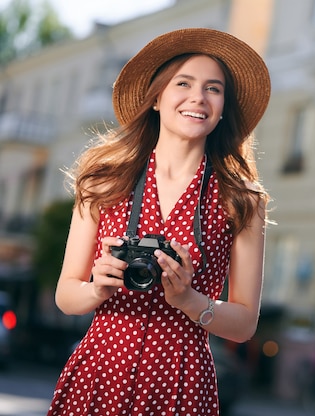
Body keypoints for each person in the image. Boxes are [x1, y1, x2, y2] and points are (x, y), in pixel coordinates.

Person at [47, 28, 271, 415]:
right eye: (183, 83)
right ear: (157, 97)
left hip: (181, 379)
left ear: (222, 109)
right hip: (102, 369)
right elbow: (66, 295)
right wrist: (97, 289)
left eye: (213, 89)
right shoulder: (104, 180)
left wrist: (189, 300)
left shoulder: (242, 200)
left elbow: (245, 322)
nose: (198, 97)